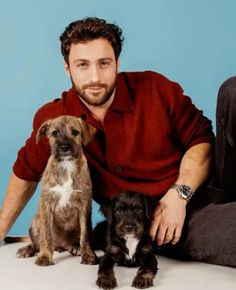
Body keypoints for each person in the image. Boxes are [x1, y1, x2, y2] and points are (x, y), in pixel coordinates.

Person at [0, 17, 235, 267]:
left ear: (117, 63)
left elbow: (202, 139)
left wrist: (179, 195)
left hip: (203, 183)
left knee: (232, 90)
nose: (95, 77)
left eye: (104, 63)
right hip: (175, 222)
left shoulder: (156, 88)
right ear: (67, 68)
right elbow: (26, 172)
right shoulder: (57, 121)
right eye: (82, 65)